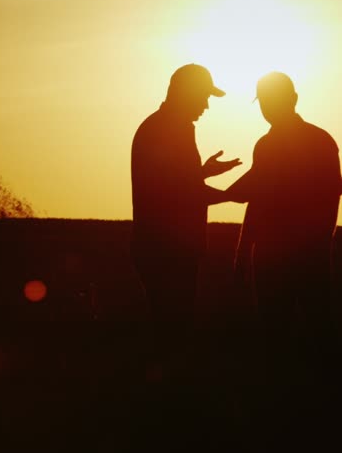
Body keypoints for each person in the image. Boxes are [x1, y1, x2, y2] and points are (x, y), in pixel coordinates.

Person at [228, 72, 341, 337]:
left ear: (293, 99)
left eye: (272, 100)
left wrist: (319, 244)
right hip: (273, 257)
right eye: (264, 102)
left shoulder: (319, 142)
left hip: (305, 256)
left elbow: (331, 195)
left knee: (315, 332)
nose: (268, 108)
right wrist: (243, 252)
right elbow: (257, 200)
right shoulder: (267, 145)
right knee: (278, 334)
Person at [131, 63, 241, 321]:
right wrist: (235, 194)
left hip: (162, 247)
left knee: (169, 326)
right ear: (185, 92)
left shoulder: (160, 126)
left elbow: (172, 182)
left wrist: (202, 172)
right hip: (169, 250)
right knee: (174, 328)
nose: (206, 105)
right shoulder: (170, 130)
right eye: (203, 96)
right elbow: (183, 193)